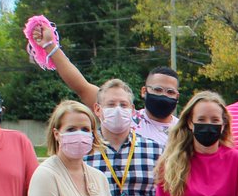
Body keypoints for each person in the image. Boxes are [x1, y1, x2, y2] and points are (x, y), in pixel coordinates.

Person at [29, 18, 179, 144]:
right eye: (158, 90)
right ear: (144, 91)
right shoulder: (126, 116)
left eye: (170, 92)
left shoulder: (184, 130)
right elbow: (81, 86)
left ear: (177, 96)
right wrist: (50, 46)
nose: (163, 95)